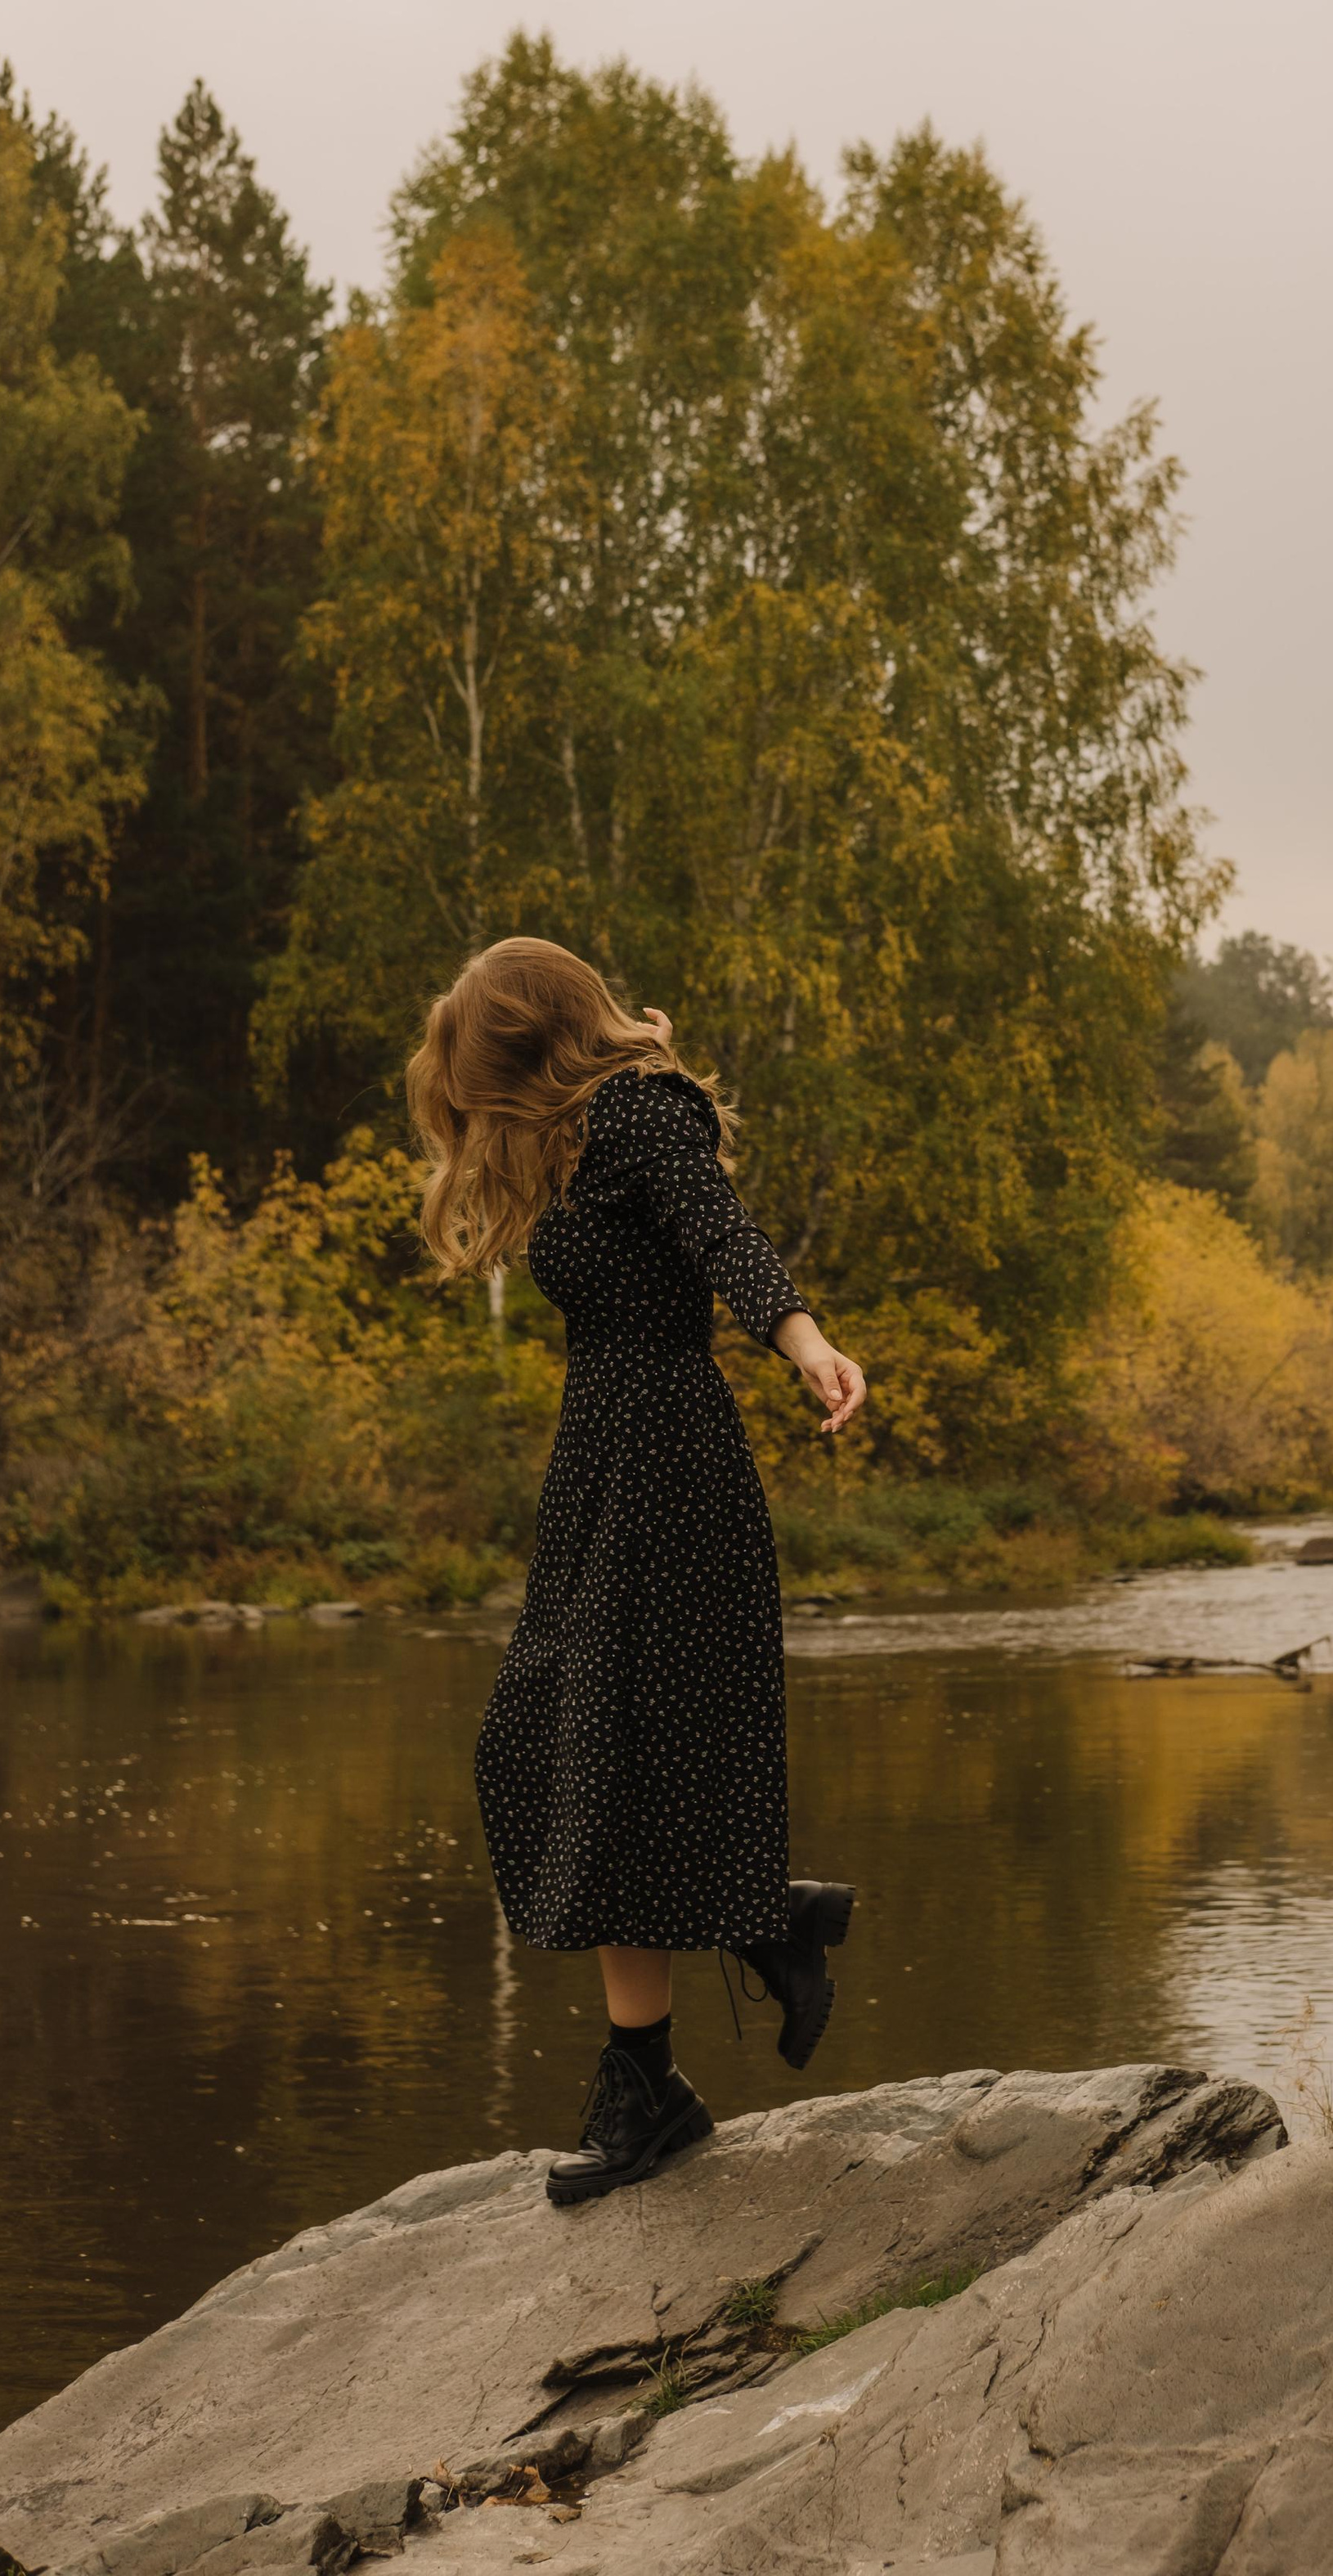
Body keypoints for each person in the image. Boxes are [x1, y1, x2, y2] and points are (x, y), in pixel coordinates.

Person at [406, 936, 866, 2206]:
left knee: (606, 1759)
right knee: (537, 1746)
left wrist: (807, 1345)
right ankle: (761, 1927)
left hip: (669, 1453)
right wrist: (655, 1065)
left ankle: (649, 2083)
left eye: (485, 1071)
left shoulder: (640, 1113)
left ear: (531, 1046)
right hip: (600, 1455)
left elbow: (724, 1237)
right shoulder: (588, 1125)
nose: (476, 1104)